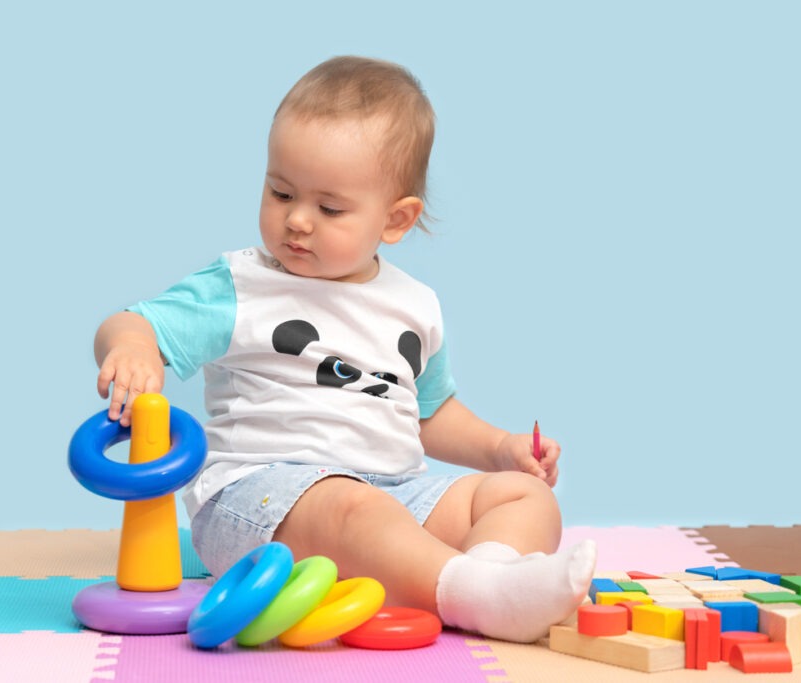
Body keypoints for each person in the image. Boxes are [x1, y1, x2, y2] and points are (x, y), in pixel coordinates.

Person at [93, 56, 595, 643]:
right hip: (262, 497)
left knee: (524, 497)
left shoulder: (414, 305)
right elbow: (133, 322)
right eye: (281, 192)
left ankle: (489, 579)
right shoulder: (242, 285)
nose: (298, 220)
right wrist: (133, 348)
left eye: (329, 208)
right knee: (351, 508)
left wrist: (500, 448)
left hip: (398, 493)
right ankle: (476, 595)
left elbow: (429, 413)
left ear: (396, 219)